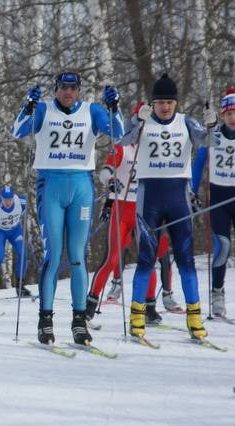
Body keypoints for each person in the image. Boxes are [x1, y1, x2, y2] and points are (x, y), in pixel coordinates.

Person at [11, 71, 124, 345]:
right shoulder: (43, 110)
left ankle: (79, 321)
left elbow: (118, 134)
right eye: (63, 87)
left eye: (73, 88)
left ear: (79, 90)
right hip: (51, 185)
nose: (68, 92)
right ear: (56, 89)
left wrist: (115, 107)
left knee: (77, 256)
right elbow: (17, 131)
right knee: (53, 255)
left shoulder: (91, 111)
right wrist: (27, 106)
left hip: (81, 186)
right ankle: (45, 320)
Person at [118, 73, 213, 340]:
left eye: (169, 102)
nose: (165, 107)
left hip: (178, 196)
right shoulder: (144, 122)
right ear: (153, 103)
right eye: (160, 102)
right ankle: (137, 316)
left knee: (185, 259)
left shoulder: (186, 122)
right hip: (149, 197)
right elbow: (123, 140)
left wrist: (212, 126)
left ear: (176, 103)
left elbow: (210, 143)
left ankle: (194, 318)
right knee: (146, 258)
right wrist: (137, 120)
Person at [86, 104, 181, 324]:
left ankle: (149, 308)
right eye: (140, 122)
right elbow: (105, 171)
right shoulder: (122, 147)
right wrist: (111, 181)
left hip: (146, 211)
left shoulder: (155, 148)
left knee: (148, 258)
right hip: (122, 210)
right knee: (112, 259)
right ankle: (90, 304)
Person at [191, 87, 235, 318]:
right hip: (219, 197)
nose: (233, 117)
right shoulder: (213, 135)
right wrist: (191, 191)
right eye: (229, 113)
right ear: (222, 115)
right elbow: (199, 163)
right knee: (222, 246)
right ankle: (217, 292)